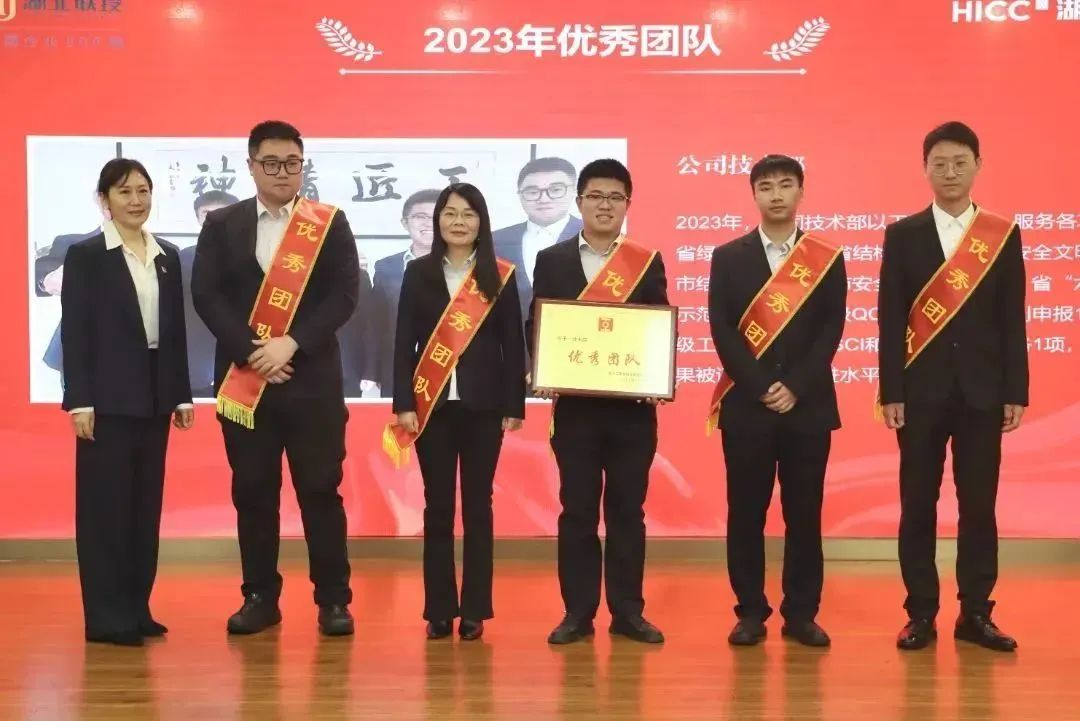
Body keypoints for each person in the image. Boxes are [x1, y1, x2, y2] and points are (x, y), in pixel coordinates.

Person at [191, 120, 360, 637]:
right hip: (245, 384)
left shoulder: (328, 224)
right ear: (251, 166)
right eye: (271, 163)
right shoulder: (222, 223)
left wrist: (292, 342)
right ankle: (260, 597)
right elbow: (206, 295)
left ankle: (333, 600)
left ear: (302, 166)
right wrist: (251, 350)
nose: (282, 172)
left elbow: (344, 295)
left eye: (292, 163)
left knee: (320, 491)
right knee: (253, 492)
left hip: (312, 383)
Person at [878, 121, 1028, 653]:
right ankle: (920, 613)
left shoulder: (1001, 235)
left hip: (983, 393)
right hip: (920, 393)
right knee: (917, 503)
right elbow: (890, 318)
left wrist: (1016, 390)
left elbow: (1012, 318)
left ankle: (976, 612)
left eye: (960, 162)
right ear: (925, 169)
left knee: (979, 505)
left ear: (978, 166)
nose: (949, 172)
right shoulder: (903, 235)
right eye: (939, 163)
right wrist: (891, 391)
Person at [707, 155, 847, 648]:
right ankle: (750, 611)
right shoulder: (728, 256)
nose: (776, 194)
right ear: (754, 195)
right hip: (748, 406)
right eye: (765, 187)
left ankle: (801, 613)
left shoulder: (825, 257)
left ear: (801, 191)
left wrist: (797, 386)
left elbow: (831, 328)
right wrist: (761, 385)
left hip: (808, 407)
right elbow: (722, 329)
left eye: (786, 185)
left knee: (803, 514)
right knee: (746, 512)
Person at [527, 159, 668, 645]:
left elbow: (657, 327)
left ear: (627, 204)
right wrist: (540, 366)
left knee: (629, 513)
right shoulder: (553, 260)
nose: (605, 205)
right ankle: (577, 613)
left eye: (615, 197)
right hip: (576, 413)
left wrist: (656, 374)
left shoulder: (645, 261)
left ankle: (628, 612)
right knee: (578, 511)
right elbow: (537, 324)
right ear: (579, 201)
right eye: (595, 196)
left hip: (633, 412)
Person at [61, 158, 195, 647]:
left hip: (155, 398)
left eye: (143, 190)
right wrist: (80, 401)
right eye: (124, 192)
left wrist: (181, 395)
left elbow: (174, 334)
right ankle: (106, 617)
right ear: (104, 200)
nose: (136, 201)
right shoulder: (86, 255)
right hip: (107, 400)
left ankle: (137, 608)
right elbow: (76, 332)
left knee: (144, 507)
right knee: (105, 511)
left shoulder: (167, 256)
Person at [390, 183, 526, 640]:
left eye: (468, 214)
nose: (459, 222)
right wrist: (403, 403)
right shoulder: (418, 273)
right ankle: (438, 608)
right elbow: (403, 342)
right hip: (431, 407)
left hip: (483, 407)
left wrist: (514, 404)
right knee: (438, 507)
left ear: (481, 222)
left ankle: (475, 609)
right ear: (438, 221)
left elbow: (513, 343)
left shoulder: (499, 275)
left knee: (478, 506)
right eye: (450, 213)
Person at [357, 188, 442, 398]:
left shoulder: (468, 266)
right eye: (420, 217)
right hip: (397, 367)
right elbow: (376, 323)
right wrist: (371, 371)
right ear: (405, 223)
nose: (428, 224)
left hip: (450, 364)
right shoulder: (387, 267)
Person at [493, 157, 584, 319]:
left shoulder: (593, 239)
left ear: (573, 191)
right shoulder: (495, 241)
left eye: (556, 190)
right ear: (520, 195)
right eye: (532, 192)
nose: (543, 199)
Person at [180, 190, 239, 398]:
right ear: (198, 218)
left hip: (242, 352)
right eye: (206, 213)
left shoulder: (253, 254)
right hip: (196, 358)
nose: (214, 219)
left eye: (222, 212)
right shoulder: (181, 258)